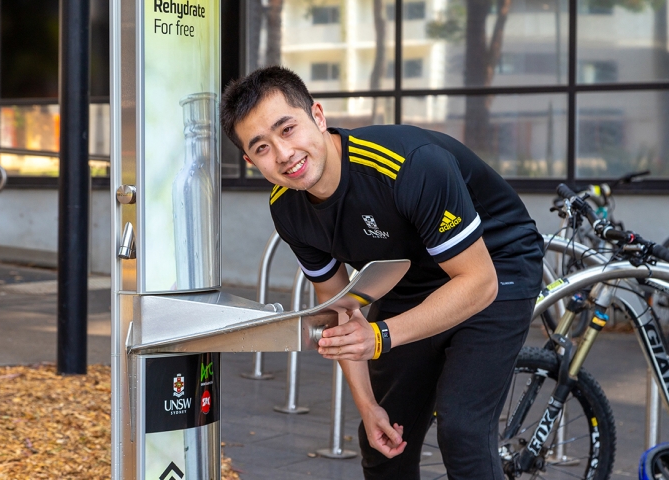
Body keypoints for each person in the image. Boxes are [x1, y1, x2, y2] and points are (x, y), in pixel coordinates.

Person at [220, 65, 544, 480]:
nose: (283, 155)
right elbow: (338, 305)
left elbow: (478, 283)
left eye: (288, 129)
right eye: (261, 147)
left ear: (317, 116)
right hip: (411, 278)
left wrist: (379, 335)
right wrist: (368, 405)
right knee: (385, 441)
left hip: (494, 265)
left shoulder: (408, 165)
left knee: (463, 431)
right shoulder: (287, 206)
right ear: (249, 160)